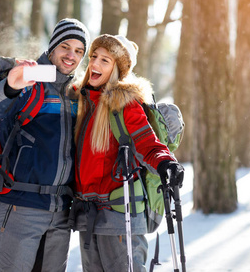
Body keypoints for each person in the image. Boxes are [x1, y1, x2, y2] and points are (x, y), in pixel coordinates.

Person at [0, 18, 90, 272]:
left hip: (61, 210)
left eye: (79, 51)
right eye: (65, 46)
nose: (71, 55)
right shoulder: (28, 79)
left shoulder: (77, 92)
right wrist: (9, 86)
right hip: (21, 205)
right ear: (51, 48)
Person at [71, 34, 185, 271]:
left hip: (119, 215)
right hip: (88, 215)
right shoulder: (83, 102)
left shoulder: (124, 103)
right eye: (94, 57)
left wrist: (165, 162)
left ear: (116, 69)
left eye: (105, 60)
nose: (95, 64)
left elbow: (147, 142)